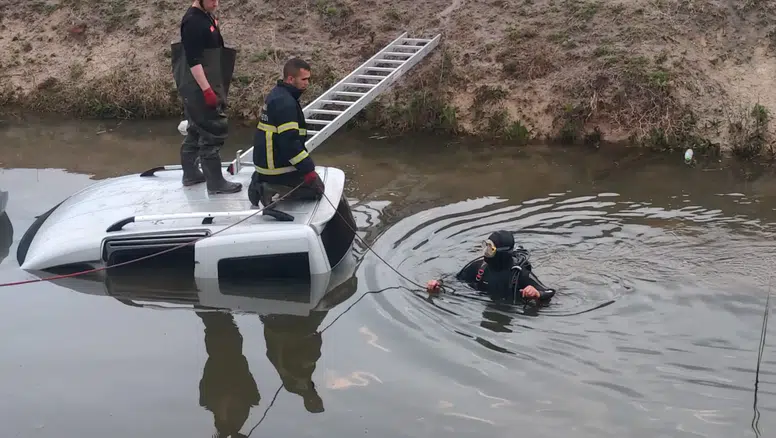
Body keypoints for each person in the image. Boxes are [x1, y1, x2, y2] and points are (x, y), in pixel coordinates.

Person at [171, 0, 242, 195]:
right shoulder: (192, 21)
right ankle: (215, 183)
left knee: (195, 128)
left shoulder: (206, 16)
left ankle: (191, 173)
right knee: (213, 129)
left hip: (206, 82)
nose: (216, 3)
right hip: (199, 85)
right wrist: (207, 90)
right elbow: (193, 60)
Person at [247, 58, 326, 221]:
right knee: (317, 190)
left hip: (268, 163)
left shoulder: (278, 94)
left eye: (308, 79)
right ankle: (267, 187)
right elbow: (289, 143)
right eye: (304, 79)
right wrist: (307, 169)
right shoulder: (285, 103)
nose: (307, 83)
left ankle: (259, 179)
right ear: (291, 79)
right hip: (276, 167)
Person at [427, 230, 556, 306]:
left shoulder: (519, 274)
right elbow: (454, 279)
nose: (485, 252)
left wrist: (536, 293)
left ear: (501, 253)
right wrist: (437, 284)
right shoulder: (479, 267)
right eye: (485, 246)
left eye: (490, 249)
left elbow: (550, 292)